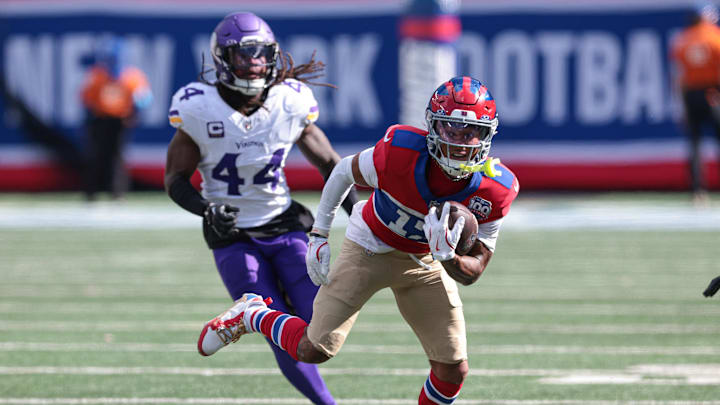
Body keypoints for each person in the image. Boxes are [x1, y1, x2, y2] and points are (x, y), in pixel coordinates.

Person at [197, 76, 519, 404]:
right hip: (369, 247)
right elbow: (342, 172)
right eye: (450, 131)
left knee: (452, 370)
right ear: (433, 127)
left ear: (486, 135)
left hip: (424, 262)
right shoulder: (401, 151)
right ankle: (253, 314)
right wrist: (320, 233)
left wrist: (448, 257)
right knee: (314, 349)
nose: (459, 143)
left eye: (469, 133)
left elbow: (475, 269)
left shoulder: (496, 189)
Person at [165, 12, 358, 405]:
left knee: (316, 330)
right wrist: (205, 208)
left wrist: (363, 218)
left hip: (284, 224)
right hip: (231, 233)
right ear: (223, 59)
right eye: (244, 53)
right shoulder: (198, 107)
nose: (254, 62)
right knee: (283, 339)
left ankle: (250, 314)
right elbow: (175, 179)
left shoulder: (291, 99)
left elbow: (330, 167)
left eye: (261, 53)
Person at [81, 36, 152, 201]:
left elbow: (144, 99)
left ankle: (117, 193)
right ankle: (91, 192)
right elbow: (87, 99)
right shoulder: (97, 75)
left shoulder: (132, 77)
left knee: (117, 156)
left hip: (121, 121)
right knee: (97, 155)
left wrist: (134, 114)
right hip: (100, 120)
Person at [670, 3, 720, 205]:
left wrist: (680, 105)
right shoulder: (714, 37)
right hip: (712, 94)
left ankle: (698, 191)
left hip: (691, 95)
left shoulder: (682, 40)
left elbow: (678, 77)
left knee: (695, 144)